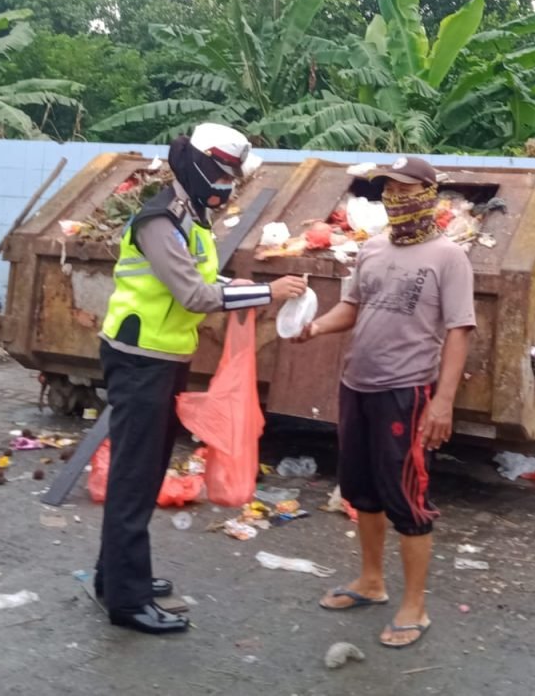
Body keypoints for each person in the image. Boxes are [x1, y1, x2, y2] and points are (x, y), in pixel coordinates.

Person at [95, 123, 306, 635]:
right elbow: (194, 295)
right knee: (135, 475)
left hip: (163, 356)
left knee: (142, 470)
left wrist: (238, 285)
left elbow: (203, 281)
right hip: (140, 357)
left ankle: (115, 576)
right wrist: (265, 293)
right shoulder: (159, 221)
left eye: (232, 175)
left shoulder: (191, 219)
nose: (227, 183)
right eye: (221, 172)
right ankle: (127, 600)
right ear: (194, 165)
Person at [294, 156, 475, 649]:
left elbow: (459, 331)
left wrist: (443, 402)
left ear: (426, 194)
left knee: (407, 500)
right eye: (387, 191)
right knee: (362, 492)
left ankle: (415, 606)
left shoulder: (448, 257)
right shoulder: (371, 250)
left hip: (409, 392)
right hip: (358, 386)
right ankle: (371, 582)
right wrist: (313, 328)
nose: (394, 199)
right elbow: (352, 308)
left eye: (403, 190)